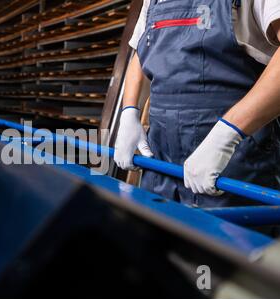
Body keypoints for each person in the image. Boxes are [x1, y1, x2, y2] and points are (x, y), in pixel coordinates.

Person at [114, 0, 280, 207]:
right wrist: (129, 113)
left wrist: (226, 135)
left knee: (224, 237)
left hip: (233, 154)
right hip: (161, 153)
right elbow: (142, 51)